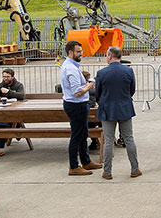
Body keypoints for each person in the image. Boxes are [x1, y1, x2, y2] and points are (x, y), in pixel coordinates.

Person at [95, 47, 141, 180]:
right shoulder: (128, 71)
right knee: (129, 138)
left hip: (107, 108)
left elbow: (98, 92)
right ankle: (135, 168)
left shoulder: (101, 73)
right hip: (124, 107)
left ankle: (107, 171)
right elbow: (132, 89)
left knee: (108, 140)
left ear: (109, 56)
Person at [60, 40, 103, 175]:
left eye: (81, 51)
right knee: (77, 136)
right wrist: (89, 86)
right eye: (78, 52)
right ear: (70, 52)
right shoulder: (71, 68)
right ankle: (73, 166)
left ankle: (86, 161)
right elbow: (77, 92)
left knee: (83, 134)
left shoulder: (72, 65)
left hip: (78, 104)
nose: (81, 54)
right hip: (76, 104)